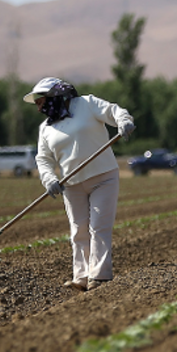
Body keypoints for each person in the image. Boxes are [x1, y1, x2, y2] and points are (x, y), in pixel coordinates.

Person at [23, 77, 135, 291]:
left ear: (54, 96)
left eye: (41, 102)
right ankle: (81, 277)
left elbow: (113, 111)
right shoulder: (46, 129)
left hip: (103, 176)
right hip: (71, 184)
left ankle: (100, 276)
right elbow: (43, 159)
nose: (39, 109)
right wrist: (49, 179)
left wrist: (123, 121)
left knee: (99, 227)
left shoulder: (87, 104)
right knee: (78, 231)